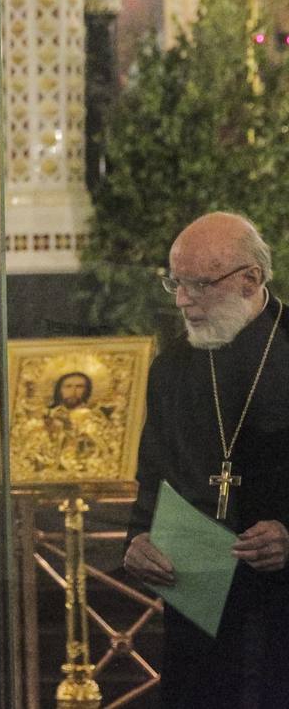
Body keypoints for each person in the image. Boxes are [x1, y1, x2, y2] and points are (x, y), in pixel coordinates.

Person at [122, 212, 289, 708]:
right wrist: (139, 540)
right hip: (200, 617)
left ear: (250, 280)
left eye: (199, 284)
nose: (181, 299)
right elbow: (153, 478)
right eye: (175, 283)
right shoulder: (172, 368)